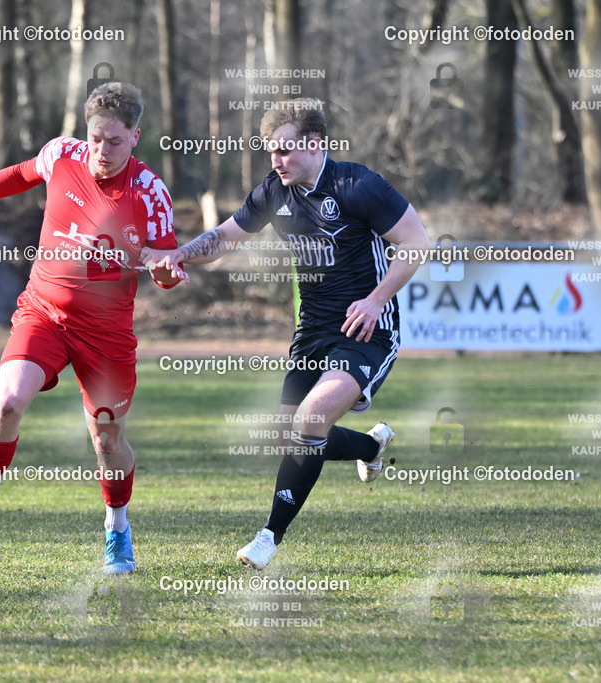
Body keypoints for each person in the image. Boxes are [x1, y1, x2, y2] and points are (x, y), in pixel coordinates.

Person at [142, 98, 429, 569]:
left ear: (315, 145)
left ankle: (268, 538)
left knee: (311, 419)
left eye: (284, 150)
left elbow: (416, 242)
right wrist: (178, 254)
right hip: (312, 328)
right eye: (271, 152)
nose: (276, 160)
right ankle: (370, 445)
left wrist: (376, 300)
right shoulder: (275, 191)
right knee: (291, 438)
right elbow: (225, 238)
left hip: (365, 329)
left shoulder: (357, 185)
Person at [0, 82, 185, 575]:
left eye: (115, 141)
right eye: (96, 138)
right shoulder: (62, 155)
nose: (102, 151)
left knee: (107, 439)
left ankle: (117, 529)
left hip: (106, 335)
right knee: (7, 402)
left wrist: (166, 271)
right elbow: (18, 175)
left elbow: (165, 264)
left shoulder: (150, 192)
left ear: (135, 137)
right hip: (42, 313)